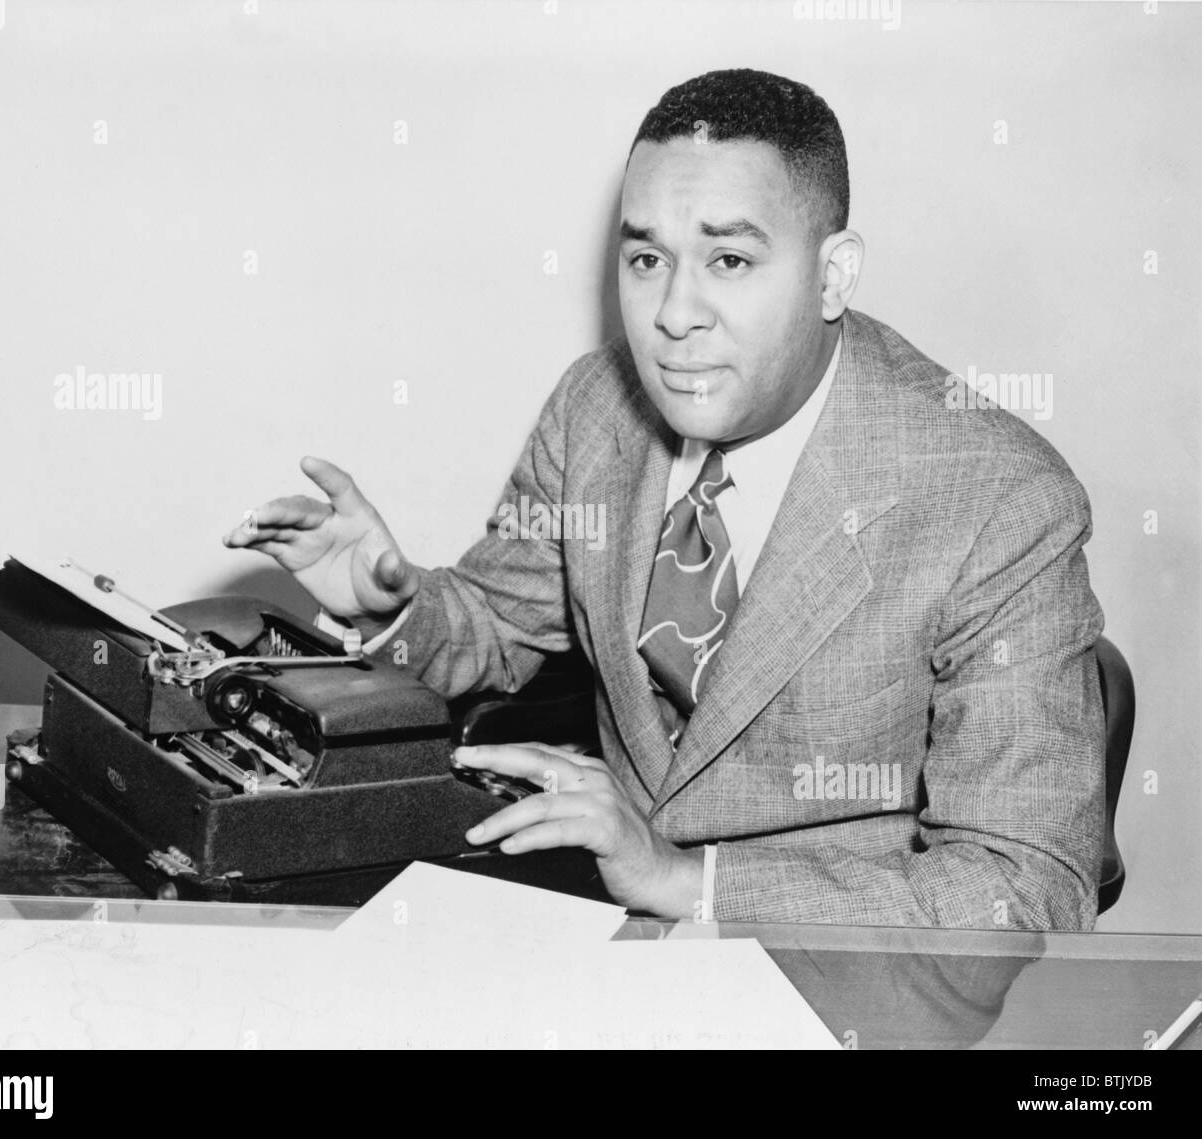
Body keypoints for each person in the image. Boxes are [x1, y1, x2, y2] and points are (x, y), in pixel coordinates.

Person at [224, 69, 1105, 929]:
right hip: (605, 931)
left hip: (841, 972)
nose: (675, 314)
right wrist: (393, 606)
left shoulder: (1000, 500)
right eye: (647, 258)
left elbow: (1026, 887)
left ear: (833, 275)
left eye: (730, 259)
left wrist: (687, 881)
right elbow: (496, 623)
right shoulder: (595, 407)